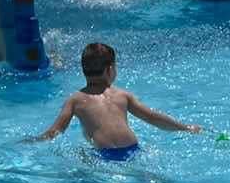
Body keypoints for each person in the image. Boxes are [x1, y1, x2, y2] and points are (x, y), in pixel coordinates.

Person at [24, 42, 201, 160]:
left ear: (83, 70)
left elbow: (56, 132)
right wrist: (186, 128)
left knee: (80, 154)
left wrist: (33, 141)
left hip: (104, 155)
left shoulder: (75, 100)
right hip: (133, 149)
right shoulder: (122, 95)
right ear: (110, 70)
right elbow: (153, 117)